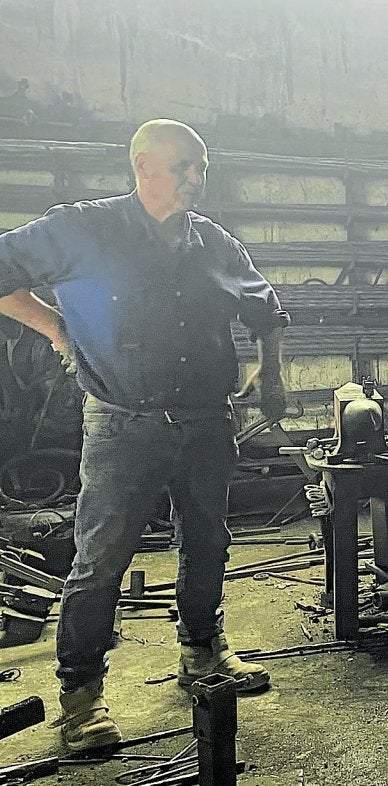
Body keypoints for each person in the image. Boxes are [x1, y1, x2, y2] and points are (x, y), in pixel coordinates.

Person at [0, 119, 288, 750]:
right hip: (121, 422)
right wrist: (53, 326)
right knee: (100, 560)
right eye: (184, 164)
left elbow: (264, 305)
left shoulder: (212, 241)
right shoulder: (83, 227)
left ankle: (204, 654)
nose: (196, 177)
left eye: (202, 166)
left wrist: (269, 364)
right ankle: (80, 699)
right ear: (142, 165)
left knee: (208, 541)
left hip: (206, 420)